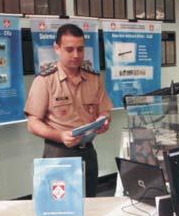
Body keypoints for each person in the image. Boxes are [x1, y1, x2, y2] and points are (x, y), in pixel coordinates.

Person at [24, 24, 113, 197]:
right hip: (58, 154)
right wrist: (60, 136)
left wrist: (104, 121)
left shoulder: (94, 78)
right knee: (59, 208)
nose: (76, 55)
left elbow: (105, 111)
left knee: (89, 204)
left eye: (80, 49)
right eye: (69, 49)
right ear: (56, 48)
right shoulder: (45, 80)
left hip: (88, 151)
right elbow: (33, 123)